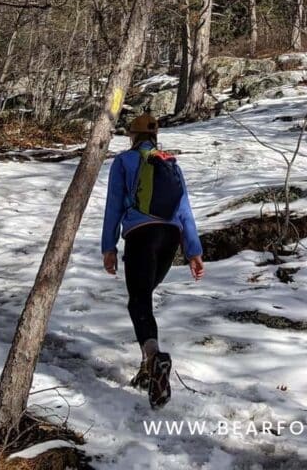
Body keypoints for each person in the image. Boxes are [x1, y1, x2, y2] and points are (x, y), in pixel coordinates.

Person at [101, 112, 204, 408]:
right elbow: (184, 209)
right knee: (143, 299)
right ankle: (149, 370)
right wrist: (193, 251)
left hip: (141, 235)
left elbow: (113, 207)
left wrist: (109, 247)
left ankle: (153, 358)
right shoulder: (170, 162)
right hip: (170, 238)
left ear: (132, 137)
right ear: (156, 137)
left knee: (139, 300)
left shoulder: (124, 162)